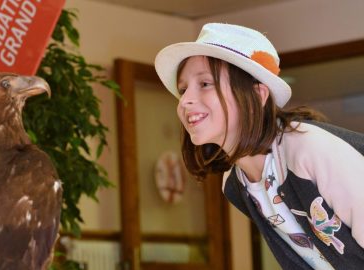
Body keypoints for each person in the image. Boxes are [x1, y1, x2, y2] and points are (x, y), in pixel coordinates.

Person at [154, 23, 364, 269]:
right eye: (183, 89)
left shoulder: (307, 148)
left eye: (205, 84)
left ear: (257, 96)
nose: (186, 100)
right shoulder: (235, 182)